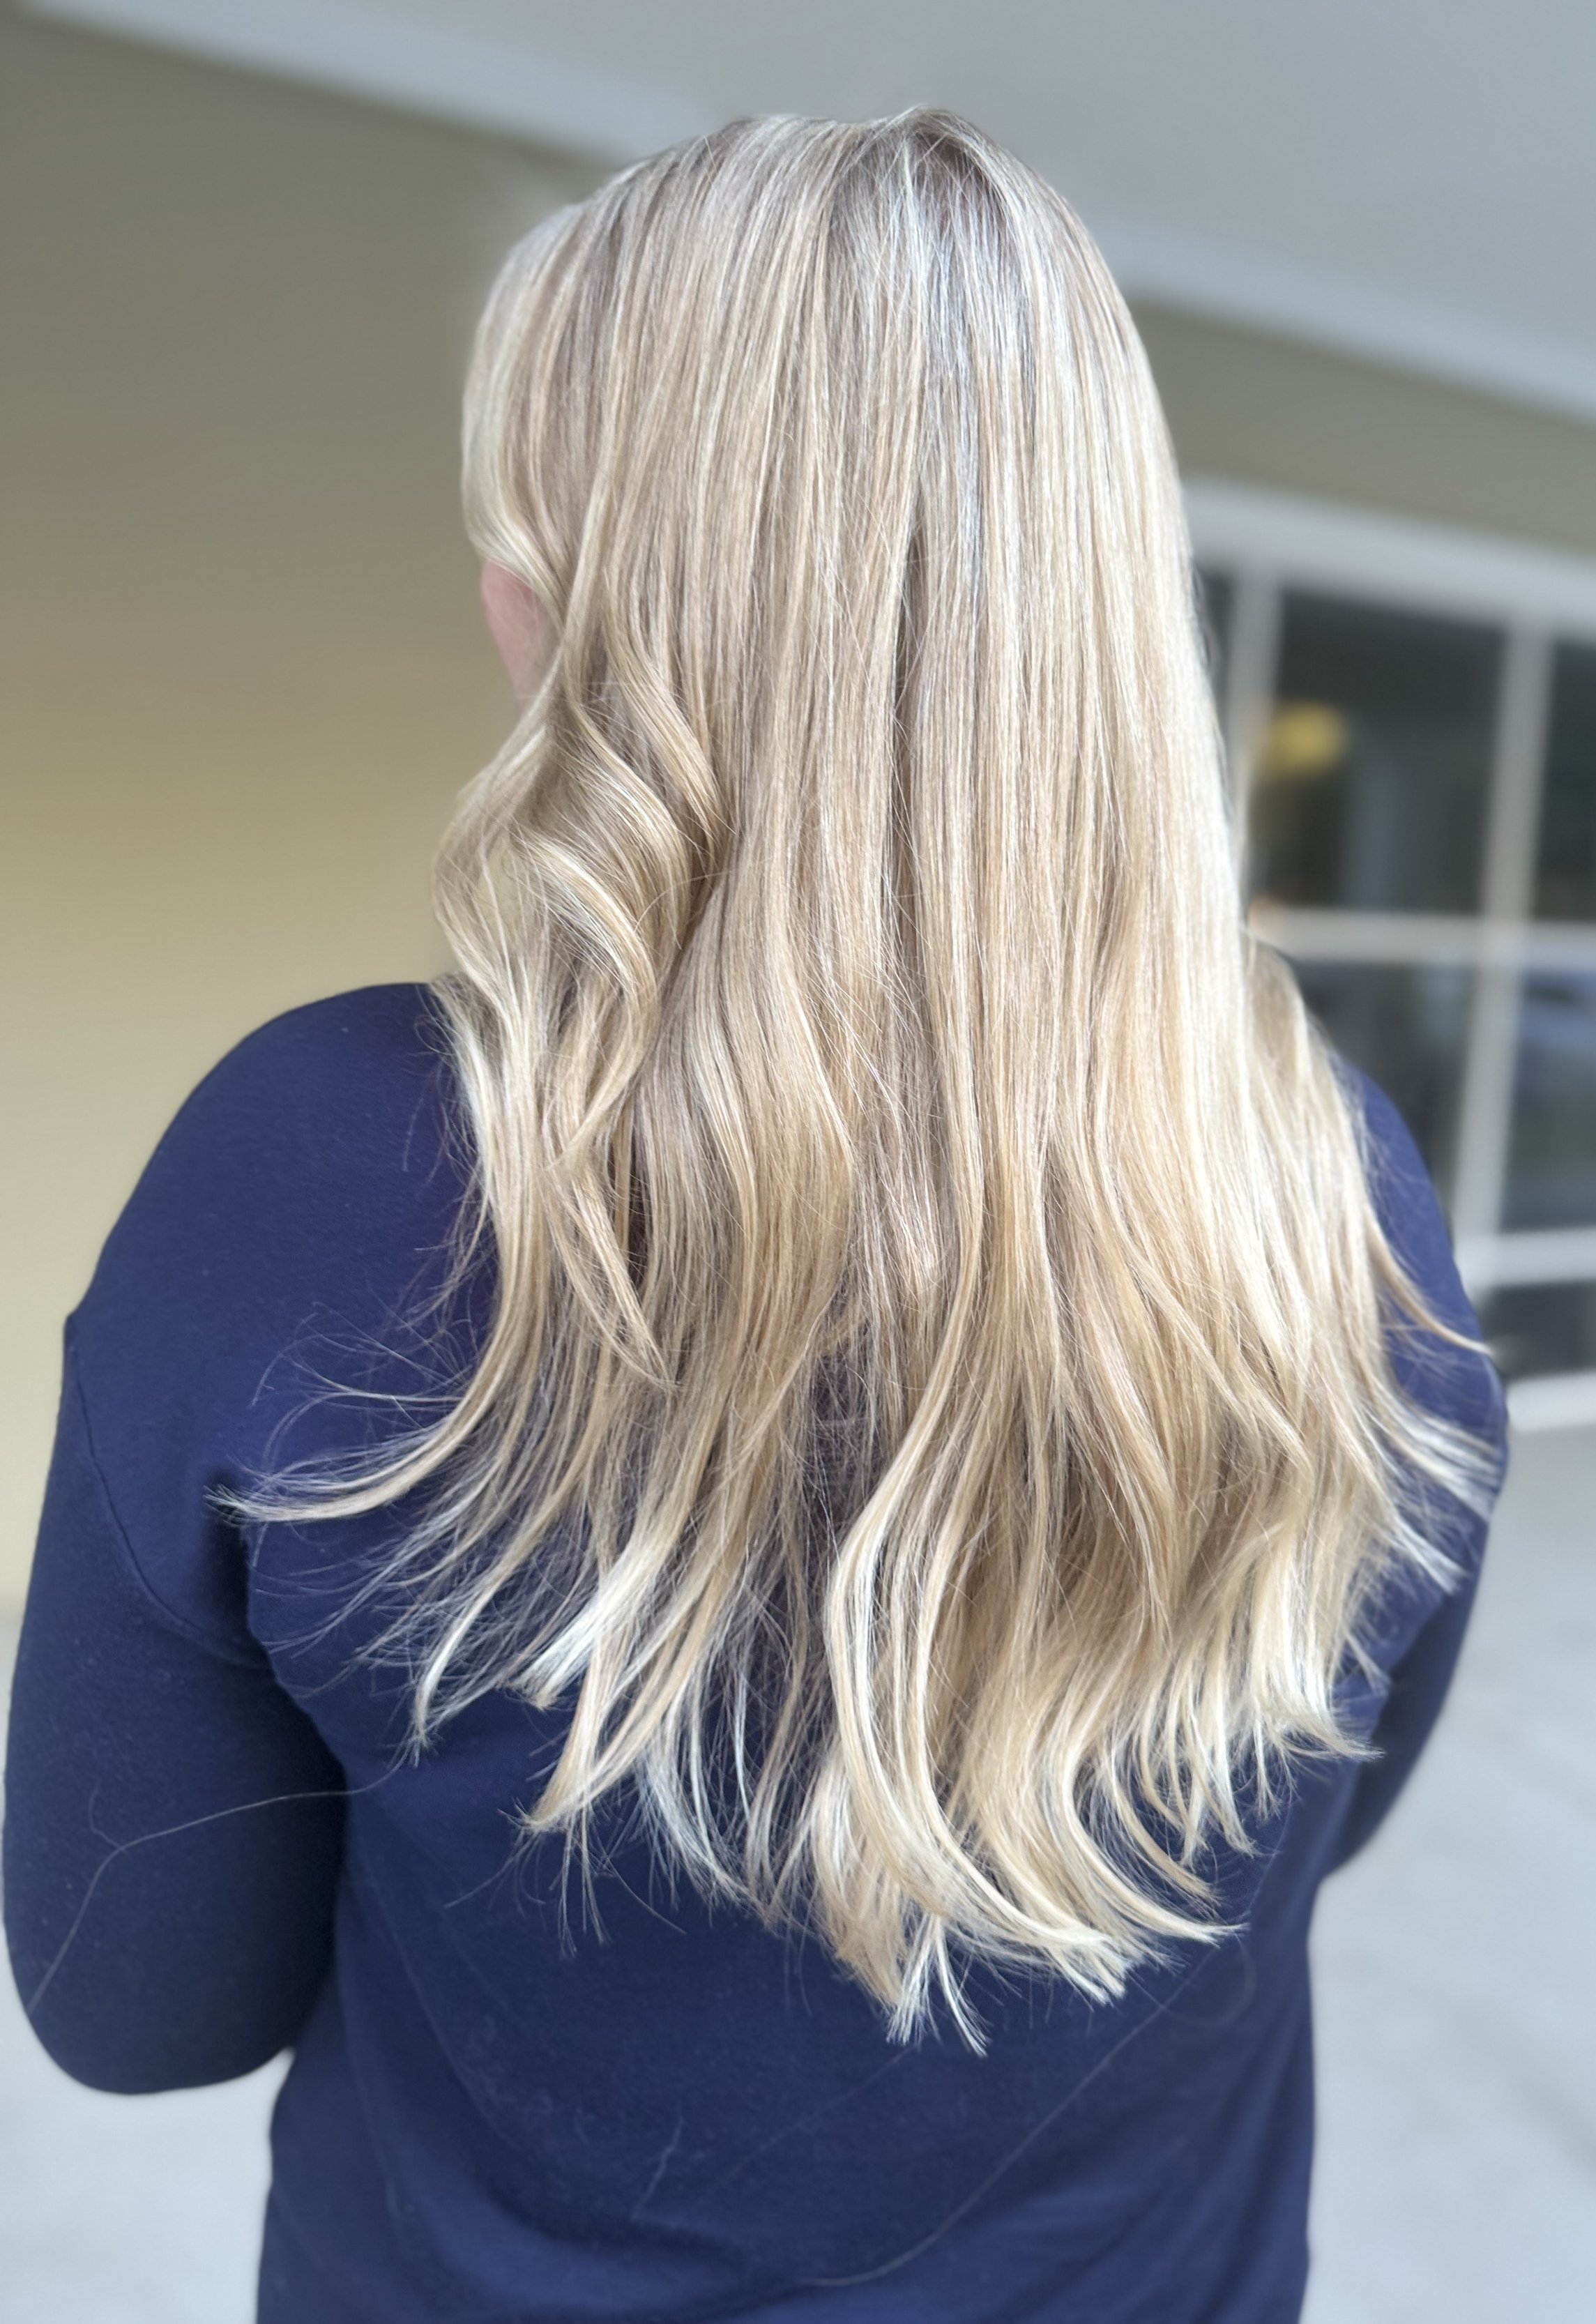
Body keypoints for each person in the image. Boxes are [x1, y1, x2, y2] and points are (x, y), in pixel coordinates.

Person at [4, 110, 1505, 2324]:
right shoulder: (1338, 1182)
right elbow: (1301, 1832)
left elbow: (137, 2005)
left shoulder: (311, 1180)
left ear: (553, 615)